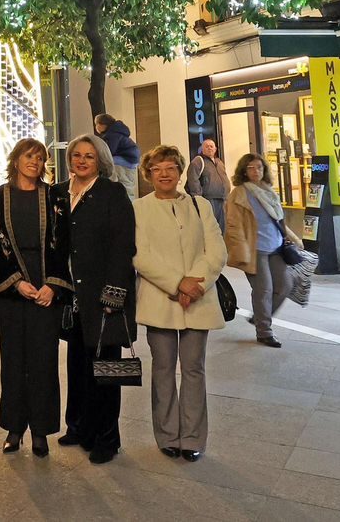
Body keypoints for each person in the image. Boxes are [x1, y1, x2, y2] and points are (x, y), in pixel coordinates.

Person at [132, 145, 227, 462]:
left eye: (170, 167)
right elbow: (139, 255)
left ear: (180, 171)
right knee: (162, 370)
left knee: (194, 370)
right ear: (148, 174)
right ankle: (167, 435)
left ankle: (192, 437)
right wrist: (176, 283)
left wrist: (195, 282)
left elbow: (216, 251)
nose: (163, 174)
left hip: (198, 299)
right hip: (160, 299)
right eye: (156, 168)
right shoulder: (139, 209)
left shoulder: (200, 206)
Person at [55, 134, 135, 465]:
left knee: (106, 369)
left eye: (89, 156)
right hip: (71, 295)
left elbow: (123, 246)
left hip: (104, 296)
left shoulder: (112, 193)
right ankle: (79, 427)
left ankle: (107, 438)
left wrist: (114, 293)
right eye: (77, 155)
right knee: (76, 364)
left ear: (100, 160)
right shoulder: (59, 192)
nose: (82, 160)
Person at [0, 138, 68, 458]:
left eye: (40, 157)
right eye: (28, 156)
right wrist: (15, 283)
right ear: (17, 159)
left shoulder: (54, 196)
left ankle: (41, 430)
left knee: (43, 361)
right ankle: (14, 427)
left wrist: (53, 285)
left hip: (46, 288)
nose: (34, 162)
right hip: (13, 291)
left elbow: (63, 244)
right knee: (13, 361)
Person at [224, 154, 304, 347]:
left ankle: (261, 315)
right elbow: (234, 225)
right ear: (244, 171)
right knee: (264, 290)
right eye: (251, 168)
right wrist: (241, 251)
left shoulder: (268, 191)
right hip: (255, 249)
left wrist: (294, 239)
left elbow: (278, 220)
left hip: (276, 246)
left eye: (259, 167)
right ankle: (264, 331)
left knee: (285, 285)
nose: (256, 171)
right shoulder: (239, 193)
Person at [184, 139, 230, 231]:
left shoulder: (219, 162)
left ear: (215, 149)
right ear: (202, 149)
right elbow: (193, 180)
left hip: (222, 200)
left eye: (211, 146)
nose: (209, 148)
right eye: (207, 146)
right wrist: (198, 199)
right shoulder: (198, 161)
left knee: (222, 229)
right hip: (208, 200)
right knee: (210, 228)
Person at [94, 115, 141, 198]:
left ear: (103, 125)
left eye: (97, 124)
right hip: (132, 159)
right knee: (127, 182)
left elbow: (109, 151)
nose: (96, 127)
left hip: (126, 158)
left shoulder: (112, 134)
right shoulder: (117, 131)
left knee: (108, 164)